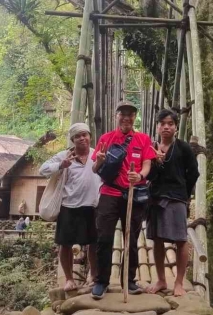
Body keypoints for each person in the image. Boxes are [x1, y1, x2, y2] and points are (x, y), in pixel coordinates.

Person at [90, 101, 156, 300]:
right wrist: (100, 159)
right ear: (116, 116)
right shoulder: (107, 138)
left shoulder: (143, 139)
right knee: (104, 238)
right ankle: (101, 281)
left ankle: (129, 280)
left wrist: (141, 177)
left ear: (134, 117)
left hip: (133, 195)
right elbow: (95, 169)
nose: (126, 117)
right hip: (110, 193)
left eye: (130, 114)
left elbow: (147, 164)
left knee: (132, 239)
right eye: (123, 113)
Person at [39, 122, 102, 291]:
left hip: (92, 206)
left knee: (94, 243)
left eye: (85, 135)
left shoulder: (97, 155)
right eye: (78, 136)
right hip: (68, 206)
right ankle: (69, 279)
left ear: (90, 136)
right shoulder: (63, 156)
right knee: (65, 244)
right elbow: (42, 169)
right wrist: (61, 165)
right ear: (73, 139)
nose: (82, 138)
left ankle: (94, 276)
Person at [145, 109, 199, 297]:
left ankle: (178, 282)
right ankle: (161, 279)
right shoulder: (151, 147)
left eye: (170, 124)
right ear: (158, 126)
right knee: (157, 239)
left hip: (176, 198)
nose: (166, 127)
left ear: (176, 127)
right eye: (163, 123)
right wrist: (155, 162)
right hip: (156, 198)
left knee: (180, 239)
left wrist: (184, 194)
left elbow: (193, 173)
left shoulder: (183, 147)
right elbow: (149, 176)